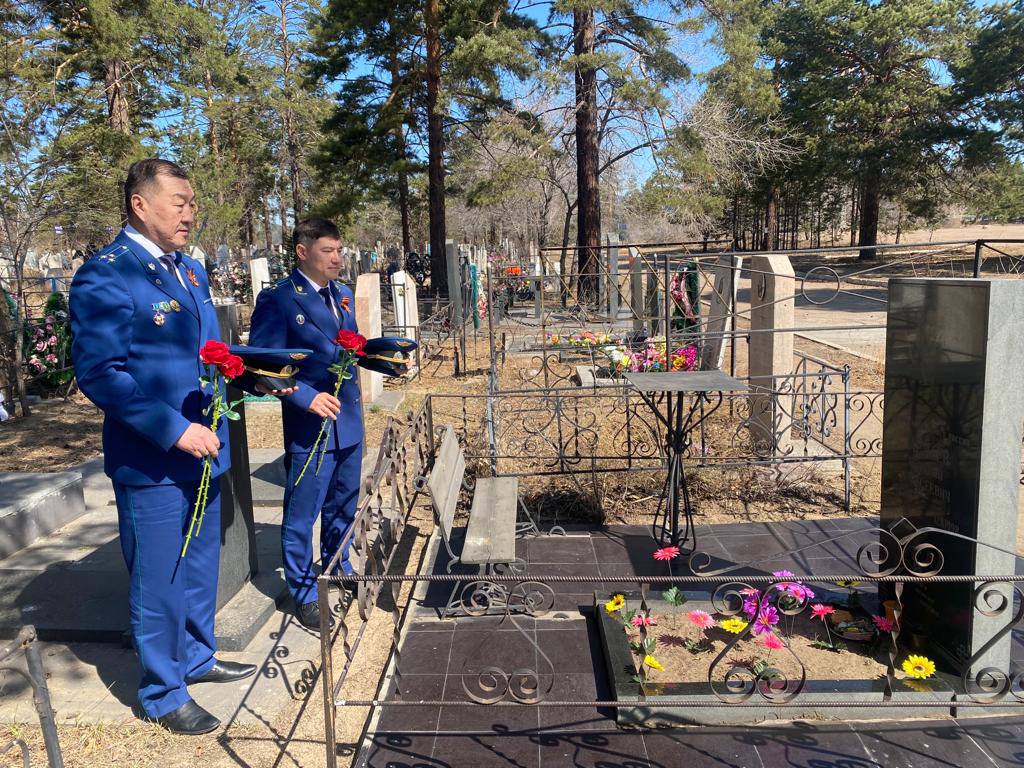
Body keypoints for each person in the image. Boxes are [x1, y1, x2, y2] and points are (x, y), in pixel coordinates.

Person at [69, 158, 292, 735]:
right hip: (154, 458)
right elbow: (101, 374)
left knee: (198, 567)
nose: (190, 213)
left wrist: (258, 378)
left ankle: (197, 656)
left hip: (204, 448)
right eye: (179, 202)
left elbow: (211, 357)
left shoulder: (189, 272)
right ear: (140, 204)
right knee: (159, 577)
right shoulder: (106, 274)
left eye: (193, 203)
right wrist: (172, 427)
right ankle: (164, 691)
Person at [247, 218, 363, 630]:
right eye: (328, 250)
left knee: (343, 503)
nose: (337, 258)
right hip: (310, 425)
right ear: (303, 252)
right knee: (302, 512)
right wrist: (304, 397)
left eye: (340, 250)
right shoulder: (279, 299)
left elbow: (352, 348)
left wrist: (383, 358)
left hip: (348, 417)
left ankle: (338, 563)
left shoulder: (343, 295)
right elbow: (262, 365)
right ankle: (302, 590)